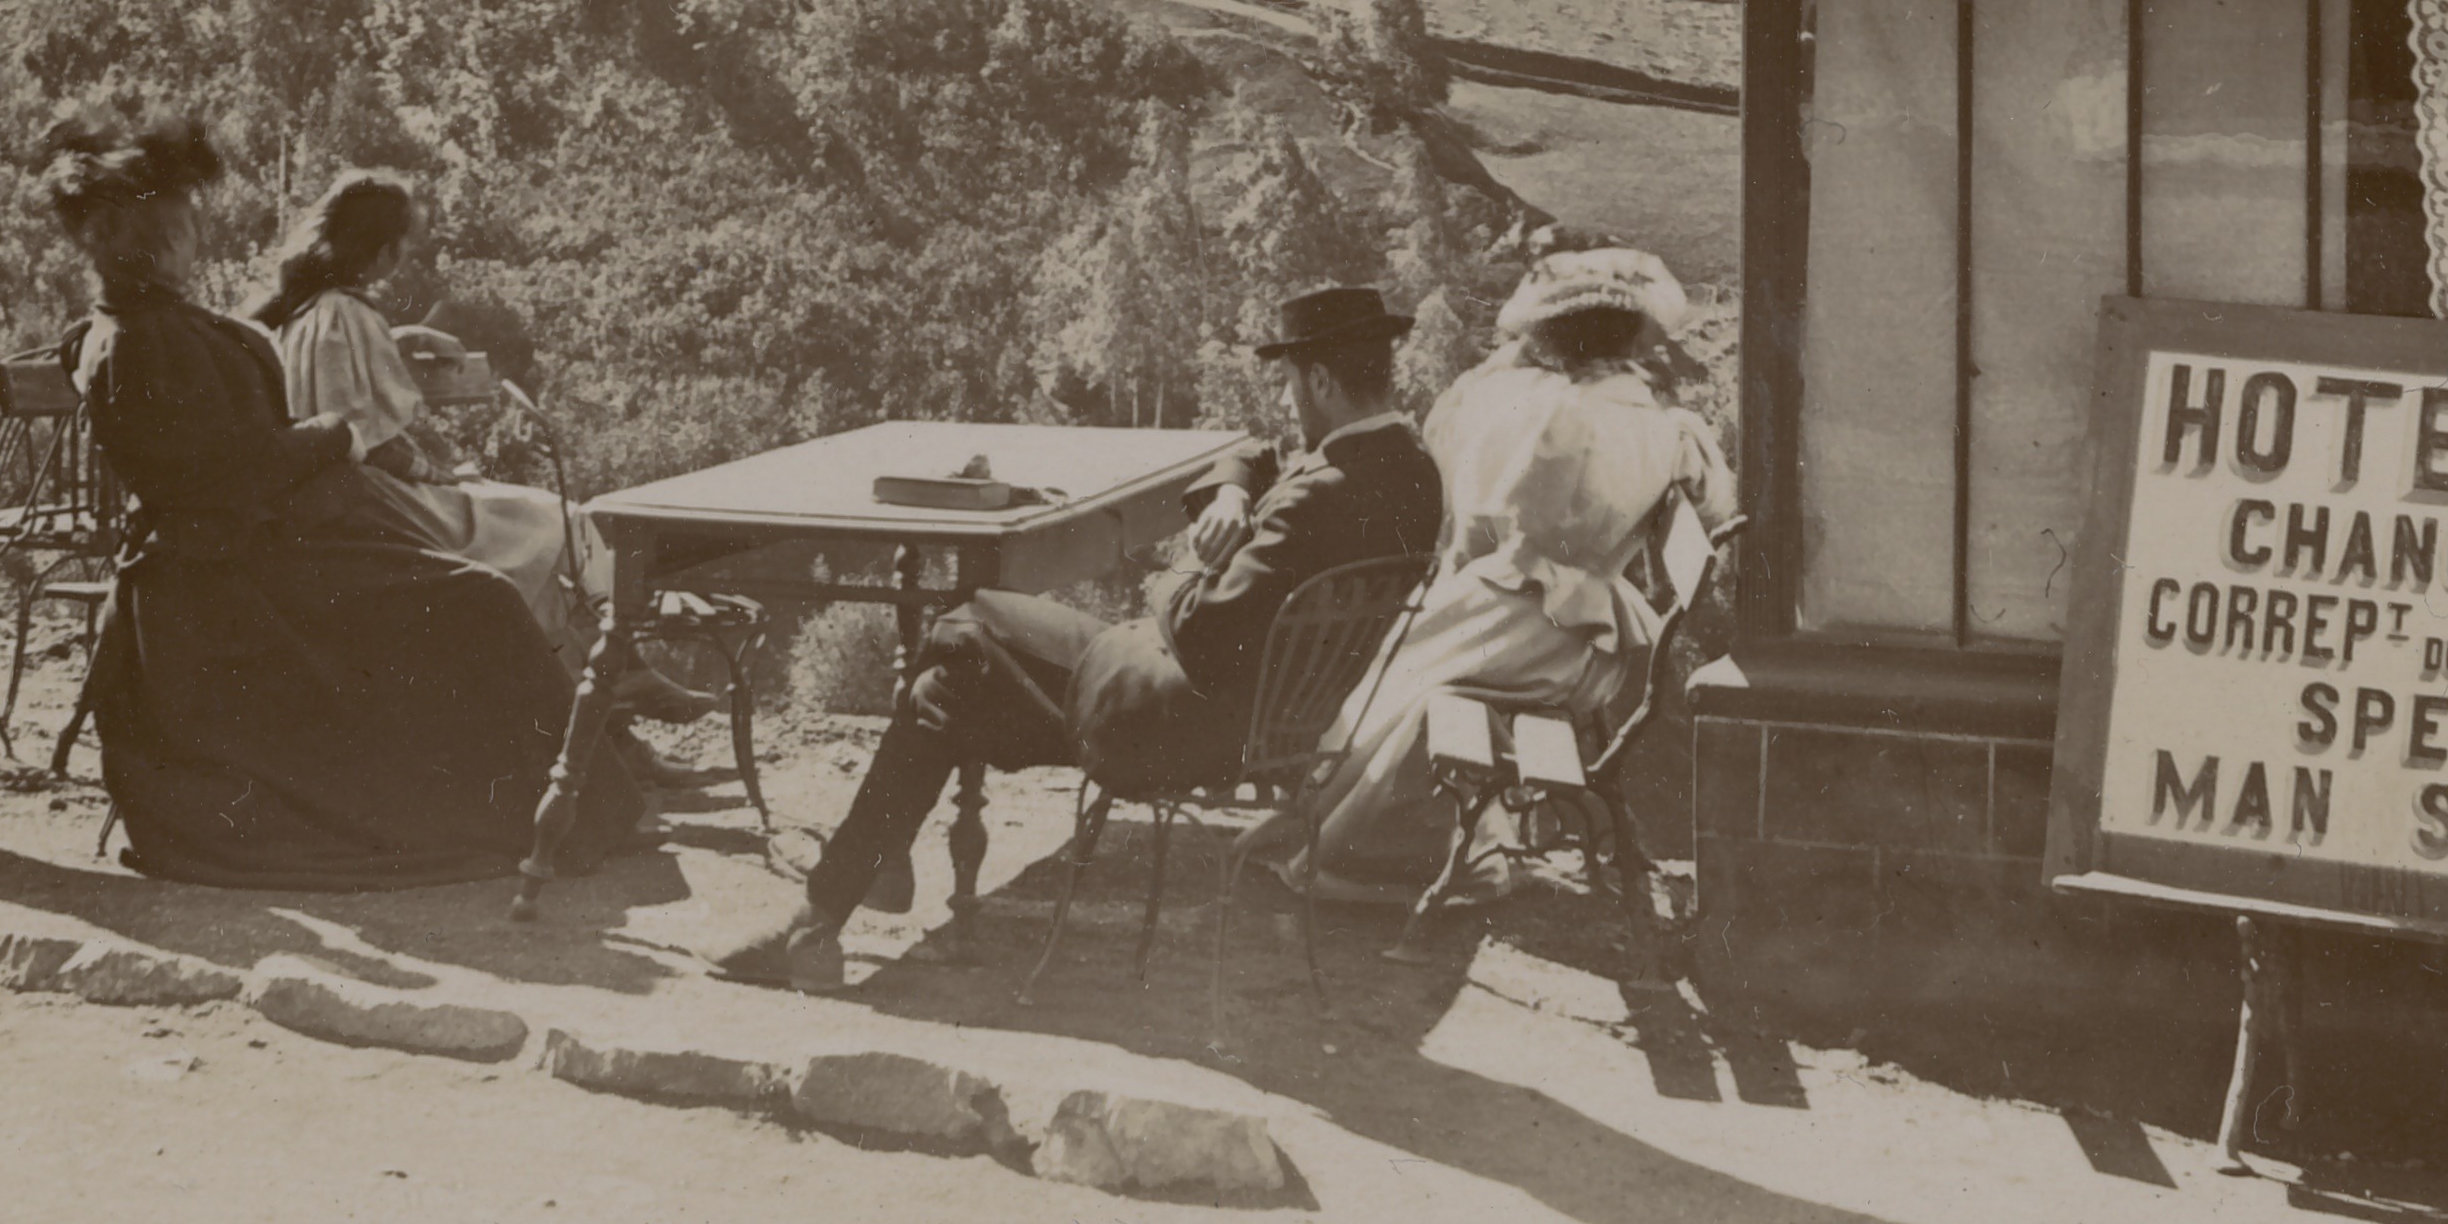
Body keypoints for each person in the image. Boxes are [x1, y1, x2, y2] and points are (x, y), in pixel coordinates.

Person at [712, 281, 1439, 986]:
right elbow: (1258, 455)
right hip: (1268, 724)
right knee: (942, 687)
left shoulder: (1314, 498)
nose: (1283, 401)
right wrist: (1228, 492)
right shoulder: (1408, 472)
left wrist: (1184, 563)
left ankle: (842, 895)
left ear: (1320, 381)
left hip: (1171, 721)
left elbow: (1196, 627)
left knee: (963, 621)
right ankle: (830, 907)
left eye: (1288, 383)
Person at [52, 115, 571, 885]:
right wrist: (333, 434)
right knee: (478, 599)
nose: (195, 236)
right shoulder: (138, 340)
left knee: (473, 593)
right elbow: (222, 473)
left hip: (254, 552)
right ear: (144, 240)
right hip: (222, 583)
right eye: (182, 224)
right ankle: (533, 809)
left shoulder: (153, 325)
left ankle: (537, 798)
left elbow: (235, 432)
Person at [1257, 244, 1734, 898]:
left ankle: (1352, 844)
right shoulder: (1659, 423)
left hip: (1540, 621)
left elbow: (1508, 520)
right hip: (1585, 630)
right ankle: (1341, 827)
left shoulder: (1559, 418)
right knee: (1400, 668)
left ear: (1557, 340)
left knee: (1402, 678)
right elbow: (1715, 509)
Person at [256, 176, 594, 668]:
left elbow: (337, 384)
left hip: (337, 498)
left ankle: (580, 669)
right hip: (371, 502)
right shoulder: (348, 313)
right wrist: (439, 475)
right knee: (557, 518)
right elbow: (369, 442)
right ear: (384, 253)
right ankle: (604, 668)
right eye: (403, 246)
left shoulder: (306, 308)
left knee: (525, 523)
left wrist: (403, 337)